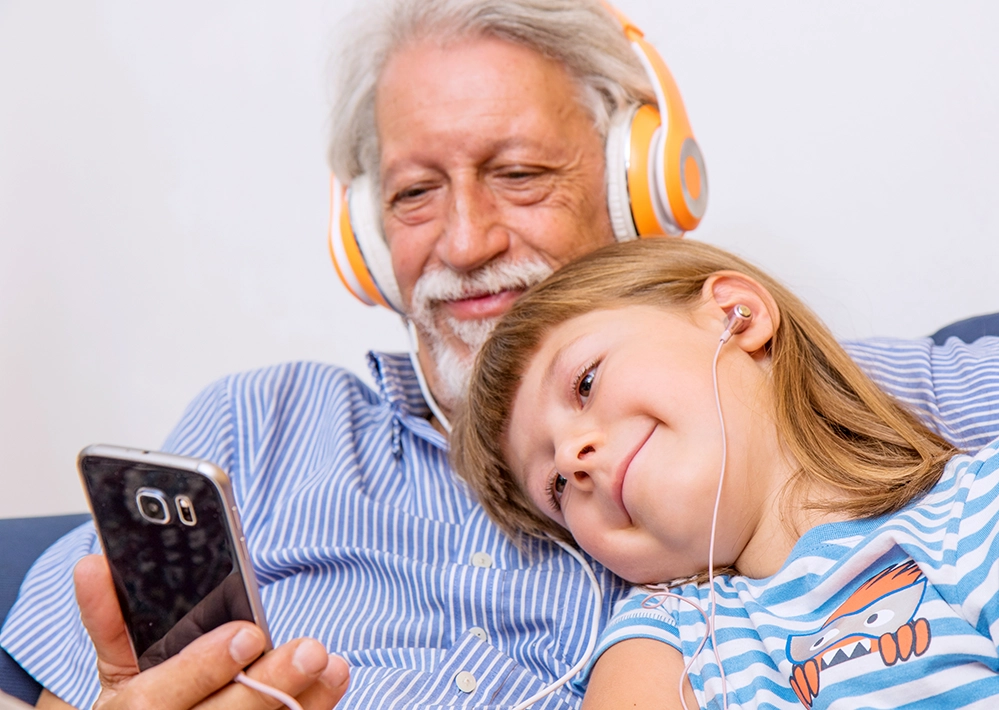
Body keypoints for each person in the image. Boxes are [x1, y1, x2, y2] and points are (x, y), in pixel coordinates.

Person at [2, 1, 997, 708]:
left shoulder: (789, 397)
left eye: (518, 173)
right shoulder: (259, 424)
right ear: (365, 241)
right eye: (414, 193)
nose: (466, 240)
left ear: (637, 185)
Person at [451, 236, 999, 709]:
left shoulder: (977, 503)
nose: (572, 457)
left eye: (586, 383)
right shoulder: (665, 645)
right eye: (556, 486)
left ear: (738, 315)